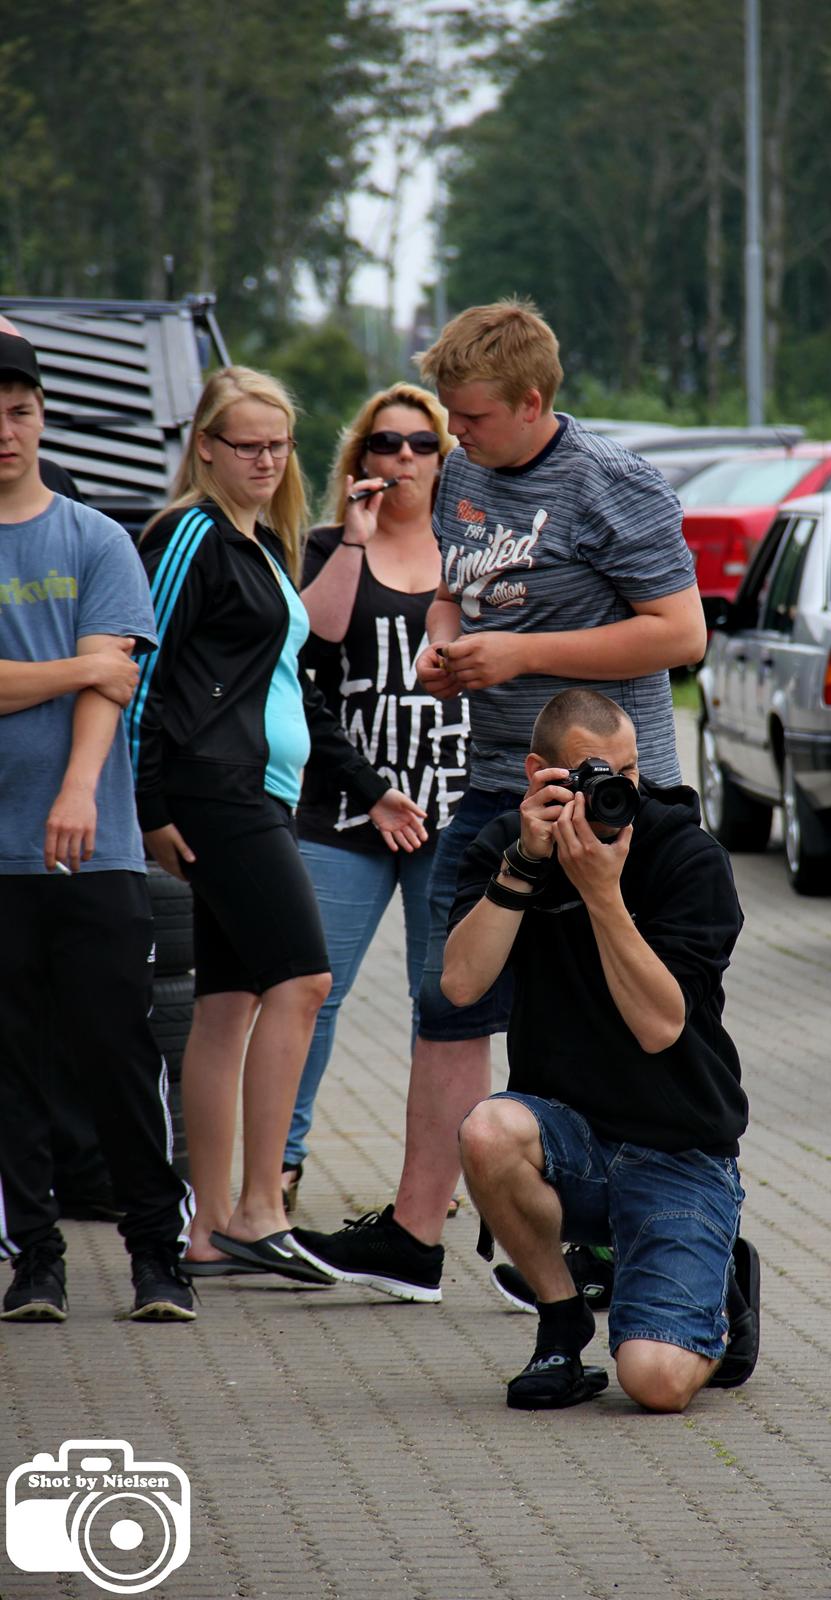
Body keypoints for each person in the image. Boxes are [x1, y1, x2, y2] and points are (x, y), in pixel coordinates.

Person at [290, 299, 707, 1302]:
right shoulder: (469, 469)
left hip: (612, 791)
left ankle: (583, 1235)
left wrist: (521, 654)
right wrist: (445, 646)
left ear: (530, 402)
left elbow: (677, 634)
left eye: (469, 419)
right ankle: (412, 1235)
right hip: (493, 788)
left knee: (596, 1012)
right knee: (450, 999)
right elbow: (458, 585)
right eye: (447, 419)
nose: (452, 439)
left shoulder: (615, 485)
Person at [126, 366, 425, 1283]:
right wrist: (148, 807)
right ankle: (262, 1205)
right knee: (304, 980)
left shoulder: (261, 544)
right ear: (205, 447)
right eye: (245, 443)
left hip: (260, 791)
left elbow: (292, 688)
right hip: (217, 791)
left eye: (278, 443)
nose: (264, 458)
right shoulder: (190, 534)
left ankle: (208, 1226)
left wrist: (369, 786)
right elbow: (144, 669)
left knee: (227, 1007)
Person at [444, 688, 758, 1411]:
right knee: (487, 1129)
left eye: (627, 773)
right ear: (539, 775)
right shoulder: (507, 848)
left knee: (653, 1384)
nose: (614, 794)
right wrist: (524, 865)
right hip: (572, 1140)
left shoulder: (684, 854)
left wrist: (601, 895)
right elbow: (460, 986)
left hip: (679, 1149)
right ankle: (560, 1318)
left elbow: (659, 1027)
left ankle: (721, 1284)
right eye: (591, 775)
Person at [0, 328, 196, 1322]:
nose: (5, 430)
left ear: (42, 417)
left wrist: (79, 790)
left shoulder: (93, 538)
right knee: (12, 1069)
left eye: (20, 410)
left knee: (120, 1058)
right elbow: (96, 667)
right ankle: (34, 1261)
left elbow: (114, 687)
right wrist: (80, 665)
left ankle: (158, 1256)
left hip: (95, 850)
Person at [283, 383, 468, 1210]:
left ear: (444, 456)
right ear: (360, 458)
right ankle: (278, 1166)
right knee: (309, 991)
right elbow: (303, 678)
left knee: (449, 1005)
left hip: (457, 815)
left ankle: (440, 1182)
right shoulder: (325, 548)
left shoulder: (472, 556)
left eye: (422, 444)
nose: (403, 459)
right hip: (345, 813)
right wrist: (374, 788)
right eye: (386, 444)